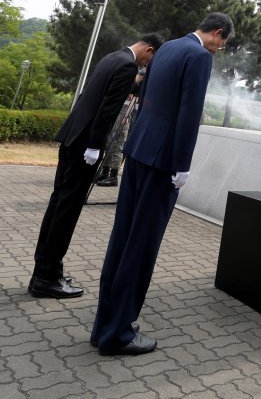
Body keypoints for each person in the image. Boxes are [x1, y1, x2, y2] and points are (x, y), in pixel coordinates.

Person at [91, 12, 233, 356]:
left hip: (139, 151)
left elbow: (143, 100)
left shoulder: (167, 47)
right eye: (222, 42)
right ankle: (118, 334)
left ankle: (105, 325)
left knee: (123, 237)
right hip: (163, 162)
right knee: (141, 246)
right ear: (216, 33)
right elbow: (189, 113)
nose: (219, 49)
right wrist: (182, 165)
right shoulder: (199, 57)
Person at [30, 34, 163, 299]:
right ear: (148, 50)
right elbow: (108, 109)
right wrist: (94, 145)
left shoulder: (114, 57)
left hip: (71, 138)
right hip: (84, 147)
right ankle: (46, 278)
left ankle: (47, 270)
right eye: (151, 61)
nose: (148, 67)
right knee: (66, 212)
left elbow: (94, 95)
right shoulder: (127, 66)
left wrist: (139, 81)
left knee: (58, 204)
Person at [94, 69, 145, 187]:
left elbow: (133, 90)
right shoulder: (138, 70)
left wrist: (137, 77)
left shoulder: (144, 73)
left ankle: (113, 175)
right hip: (122, 108)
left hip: (130, 111)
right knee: (110, 141)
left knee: (118, 142)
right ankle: (105, 171)